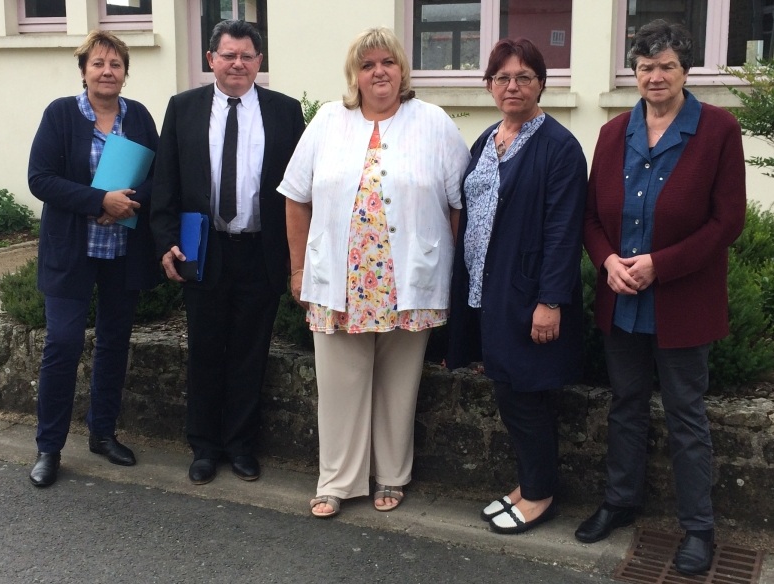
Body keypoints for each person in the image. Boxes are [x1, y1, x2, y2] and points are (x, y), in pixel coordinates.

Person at [576, 20, 746, 576]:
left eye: (666, 66)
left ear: (685, 71)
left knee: (686, 416)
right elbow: (591, 217)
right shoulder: (612, 133)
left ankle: (698, 528)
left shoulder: (718, 130)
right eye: (645, 67)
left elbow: (727, 222)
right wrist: (607, 262)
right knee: (625, 408)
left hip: (682, 302)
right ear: (634, 73)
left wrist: (659, 265)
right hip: (620, 298)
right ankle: (621, 503)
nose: (655, 77)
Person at [278, 27, 469, 518]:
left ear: (402, 70)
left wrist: (438, 259)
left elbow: (458, 204)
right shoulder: (327, 120)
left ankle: (391, 475)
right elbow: (296, 197)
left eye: (387, 62)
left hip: (409, 279)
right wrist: (298, 269)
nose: (378, 72)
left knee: (399, 382)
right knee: (339, 382)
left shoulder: (433, 122)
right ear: (355, 75)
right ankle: (337, 480)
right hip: (338, 281)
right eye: (368, 65)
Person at [149, 20, 304, 486]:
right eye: (228, 54)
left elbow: (300, 190)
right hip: (204, 249)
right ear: (210, 59)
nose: (238, 63)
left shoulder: (285, 111)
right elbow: (165, 184)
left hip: (261, 252)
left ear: (259, 62)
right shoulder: (184, 108)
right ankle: (204, 446)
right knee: (205, 350)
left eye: (247, 56)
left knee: (249, 353)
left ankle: (240, 446)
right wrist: (165, 243)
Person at [446, 38, 587, 535]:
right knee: (508, 392)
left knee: (526, 397)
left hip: (528, 296)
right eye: (502, 78)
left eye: (524, 77)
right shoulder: (487, 138)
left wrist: (551, 301)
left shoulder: (560, 149)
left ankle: (541, 493)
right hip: (487, 292)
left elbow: (564, 231)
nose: (513, 86)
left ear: (542, 84)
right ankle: (528, 483)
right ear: (489, 85)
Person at [27, 31, 160, 487]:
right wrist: (100, 201)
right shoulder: (61, 114)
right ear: (83, 69)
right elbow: (40, 179)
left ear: (125, 72)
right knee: (62, 344)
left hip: (121, 251)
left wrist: (130, 202)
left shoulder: (138, 116)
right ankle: (49, 447)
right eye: (99, 63)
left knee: (113, 343)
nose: (108, 71)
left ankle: (102, 433)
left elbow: (157, 175)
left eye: (116, 64)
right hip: (72, 252)